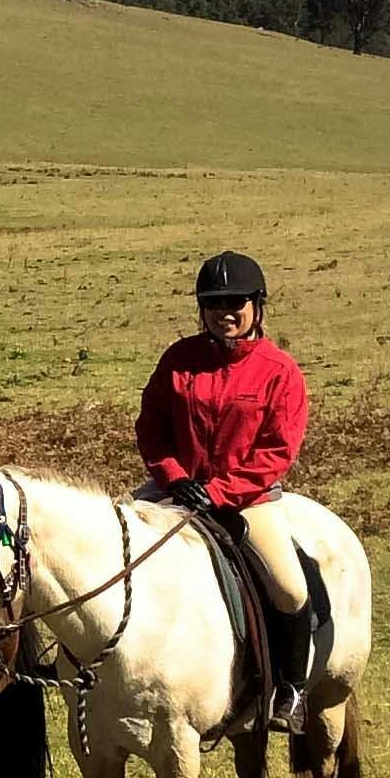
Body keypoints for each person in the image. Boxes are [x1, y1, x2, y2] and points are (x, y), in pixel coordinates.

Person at [135, 251, 323, 734]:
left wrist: (218, 492)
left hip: (247, 499)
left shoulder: (280, 371)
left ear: (257, 305)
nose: (225, 312)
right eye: (214, 303)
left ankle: (291, 690)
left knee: (290, 587)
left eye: (236, 302)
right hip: (176, 489)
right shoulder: (178, 359)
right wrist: (175, 476)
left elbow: (276, 451)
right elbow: (152, 427)